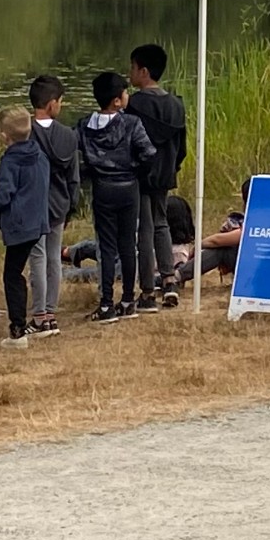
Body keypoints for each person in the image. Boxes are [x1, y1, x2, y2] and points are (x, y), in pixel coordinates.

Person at [79, 71, 157, 317]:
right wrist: (135, 171)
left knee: (107, 245)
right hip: (128, 187)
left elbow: (78, 158)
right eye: (124, 93)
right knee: (128, 244)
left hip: (102, 188)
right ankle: (128, 300)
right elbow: (148, 153)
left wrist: (91, 172)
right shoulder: (131, 123)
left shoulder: (84, 125)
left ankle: (105, 302)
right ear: (116, 100)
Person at [126, 45, 189, 309]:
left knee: (144, 227)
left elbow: (128, 139)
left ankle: (147, 290)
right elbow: (182, 145)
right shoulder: (176, 104)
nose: (129, 73)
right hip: (165, 172)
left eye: (132, 67)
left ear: (143, 71)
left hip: (141, 172)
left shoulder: (135, 104)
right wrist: (173, 165)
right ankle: (169, 279)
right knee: (161, 222)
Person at [0, 107, 50, 349]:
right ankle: (21, 325)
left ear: (4, 137)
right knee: (17, 272)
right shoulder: (40, 155)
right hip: (37, 224)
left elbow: (4, 196)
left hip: (20, 226)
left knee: (12, 275)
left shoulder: (10, 161)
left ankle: (17, 330)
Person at [30, 75, 79, 337]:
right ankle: (51, 311)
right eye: (60, 101)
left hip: (33, 204)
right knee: (53, 259)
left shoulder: (25, 132)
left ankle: (38, 314)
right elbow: (74, 175)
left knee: (37, 258)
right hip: (59, 203)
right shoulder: (69, 135)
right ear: (51, 105)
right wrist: (72, 204)